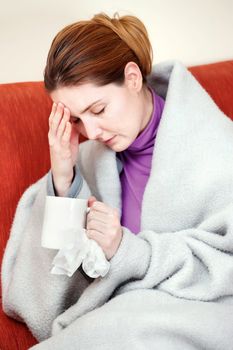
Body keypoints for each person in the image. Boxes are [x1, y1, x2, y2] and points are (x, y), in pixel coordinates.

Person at [2, 12, 233, 350]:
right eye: (77, 120)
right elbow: (38, 302)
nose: (91, 133)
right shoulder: (90, 160)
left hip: (206, 310)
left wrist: (129, 251)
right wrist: (64, 181)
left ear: (132, 77)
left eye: (98, 109)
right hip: (127, 317)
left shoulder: (217, 147)